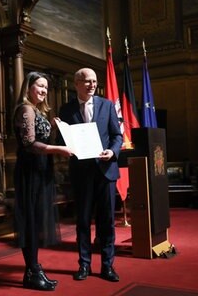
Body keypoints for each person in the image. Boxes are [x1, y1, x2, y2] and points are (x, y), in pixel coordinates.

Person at [58, 68, 122, 282]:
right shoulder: (66, 110)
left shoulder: (107, 105)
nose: (92, 85)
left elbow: (117, 136)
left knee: (107, 222)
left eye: (94, 81)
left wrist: (112, 151)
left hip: (105, 172)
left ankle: (107, 266)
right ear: (76, 83)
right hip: (81, 173)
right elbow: (62, 141)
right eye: (87, 81)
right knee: (83, 221)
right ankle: (84, 265)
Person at [12, 72, 72, 291]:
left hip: (41, 169)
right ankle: (32, 272)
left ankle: (34, 270)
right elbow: (29, 144)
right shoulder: (25, 109)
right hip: (30, 171)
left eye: (46, 87)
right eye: (39, 86)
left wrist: (54, 128)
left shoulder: (37, 111)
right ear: (28, 87)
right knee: (30, 223)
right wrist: (58, 150)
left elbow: (42, 139)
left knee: (36, 221)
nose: (44, 90)